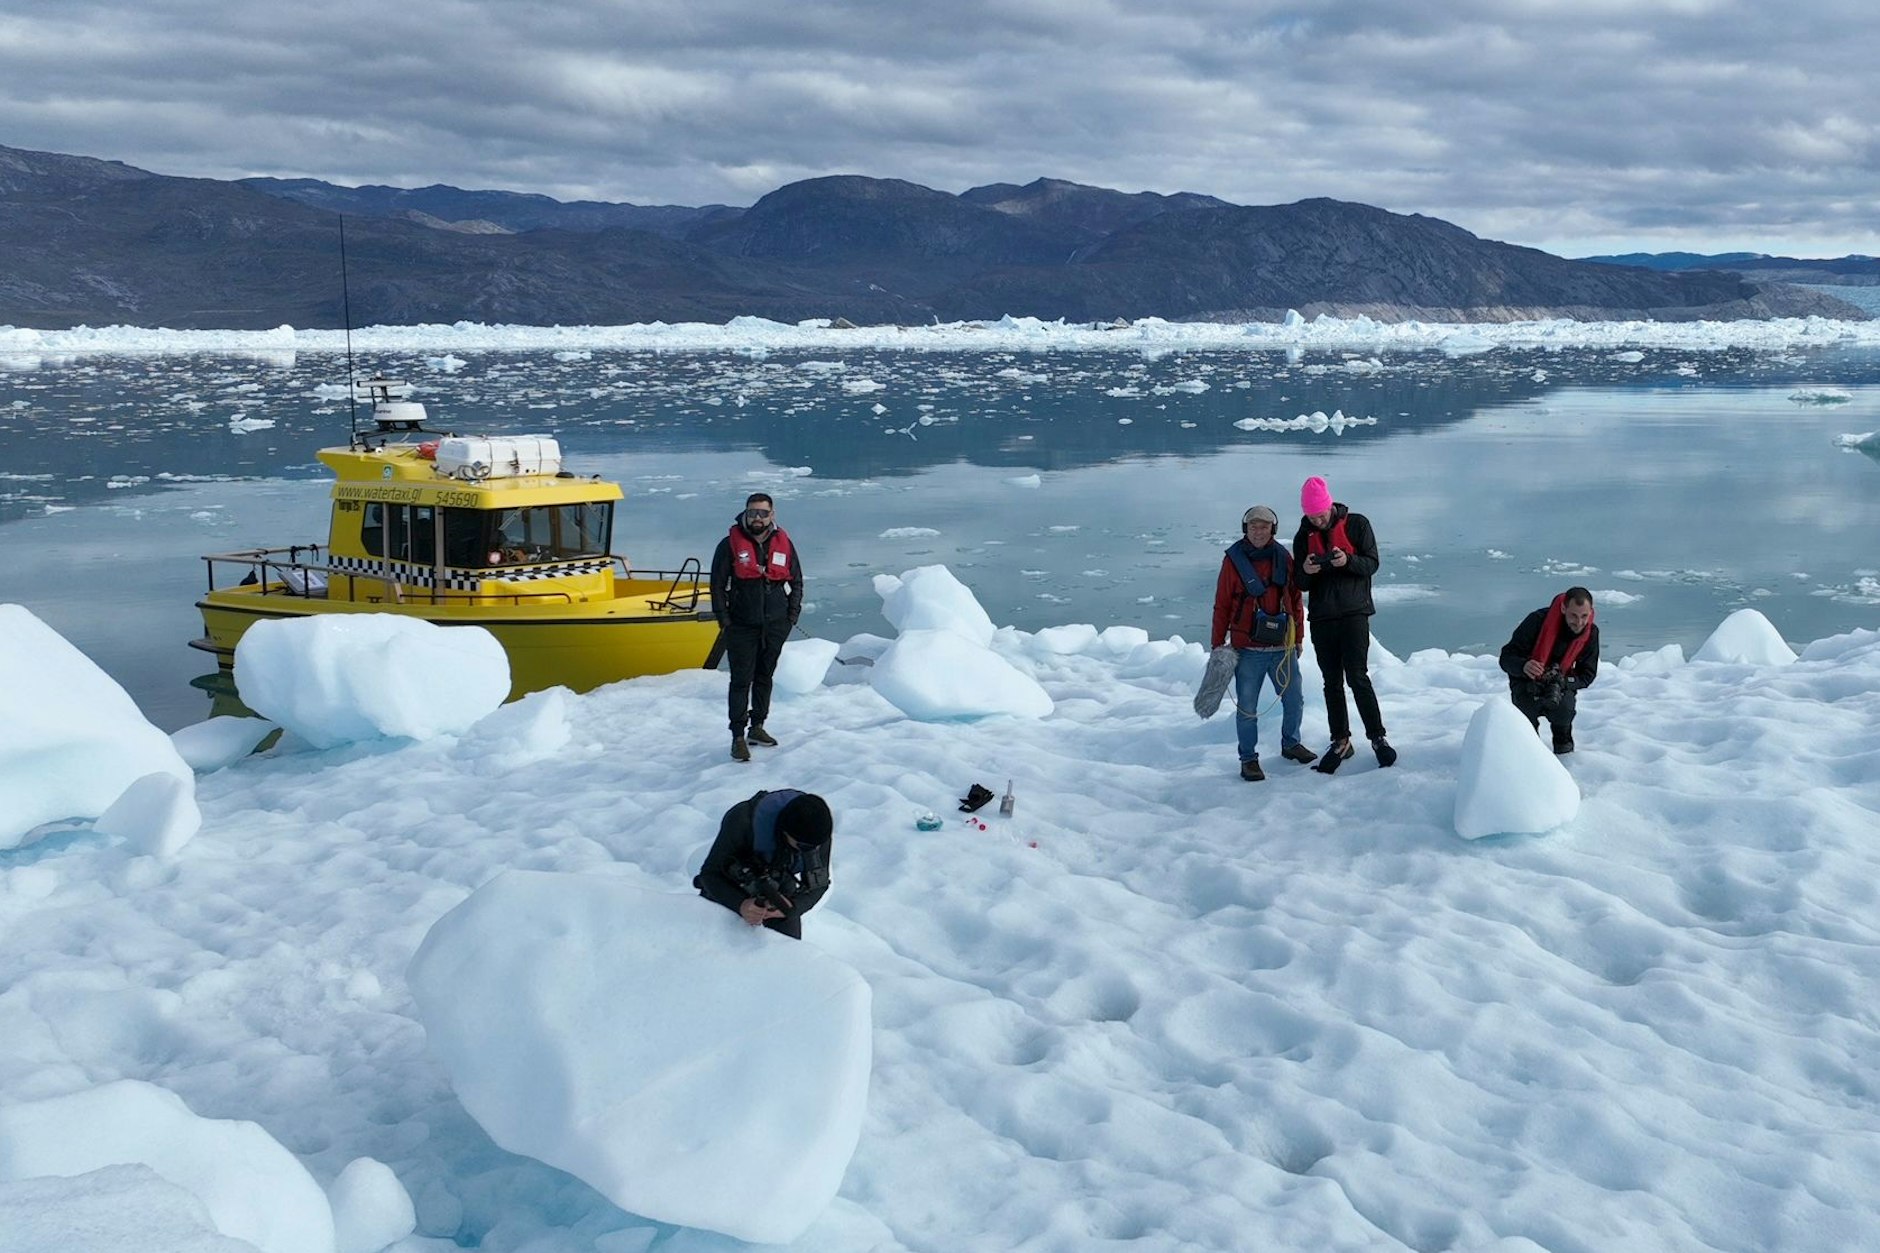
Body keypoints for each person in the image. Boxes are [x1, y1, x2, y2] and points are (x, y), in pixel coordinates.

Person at [1292, 475, 1395, 772]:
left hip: (1354, 613)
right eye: (1312, 516)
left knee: (1358, 677)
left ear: (1330, 506)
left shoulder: (1357, 524)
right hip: (1323, 617)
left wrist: (1346, 561)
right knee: (1331, 682)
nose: (1318, 520)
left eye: (1321, 514)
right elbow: (1300, 583)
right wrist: (1307, 570)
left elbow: (1372, 563)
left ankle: (1378, 737)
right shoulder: (1303, 536)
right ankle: (1340, 740)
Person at [1210, 505, 1317, 781]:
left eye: (1265, 526)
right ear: (1246, 529)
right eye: (1254, 526)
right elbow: (1222, 605)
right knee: (1247, 707)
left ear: (1273, 529)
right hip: (1247, 649)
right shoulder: (1233, 561)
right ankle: (1248, 759)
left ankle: (1291, 743)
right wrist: (1218, 644)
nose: (1259, 531)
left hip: (1282, 647)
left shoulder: (1283, 557)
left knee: (1294, 700)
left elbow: (1294, 600)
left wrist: (1299, 638)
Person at [710, 492, 803, 761]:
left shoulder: (783, 543)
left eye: (763, 513)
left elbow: (796, 580)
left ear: (772, 515)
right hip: (741, 625)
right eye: (753, 513)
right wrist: (724, 620)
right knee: (740, 681)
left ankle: (758, 726)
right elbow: (717, 585)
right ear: (746, 514)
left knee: (765, 677)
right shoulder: (728, 545)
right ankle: (737, 736)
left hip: (776, 623)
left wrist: (791, 615)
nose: (757, 518)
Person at [694, 789, 833, 939]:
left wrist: (793, 907)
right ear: (785, 832)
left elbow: (818, 885)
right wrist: (740, 904)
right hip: (730, 884)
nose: (813, 851)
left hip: (779, 887)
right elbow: (710, 874)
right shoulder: (742, 820)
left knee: (787, 951)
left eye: (818, 845)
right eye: (805, 847)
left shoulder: (816, 836)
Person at [1498, 588, 1599, 754]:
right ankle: (1528, 756)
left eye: (1584, 616)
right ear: (1563, 609)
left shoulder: (1591, 633)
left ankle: (1564, 755)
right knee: (1525, 725)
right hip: (1526, 682)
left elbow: (1587, 674)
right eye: (1574, 615)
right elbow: (1506, 658)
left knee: (1564, 712)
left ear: (1591, 612)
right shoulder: (1536, 621)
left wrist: (1564, 682)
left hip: (1560, 685)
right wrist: (1524, 666)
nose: (1579, 622)